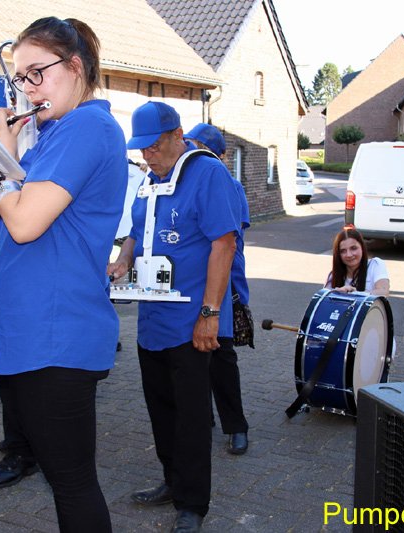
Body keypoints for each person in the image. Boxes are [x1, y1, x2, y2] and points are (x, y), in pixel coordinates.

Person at [0, 17, 126, 532]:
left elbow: (27, 222)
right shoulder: (53, 133)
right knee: (63, 476)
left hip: (57, 331)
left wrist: (4, 164)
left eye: (38, 73)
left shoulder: (87, 127)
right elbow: (7, 218)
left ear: (75, 67)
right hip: (35, 330)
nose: (28, 88)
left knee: (71, 481)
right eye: (20, 77)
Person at [108, 102, 242, 533]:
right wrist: (123, 260)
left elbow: (224, 245)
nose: (147, 155)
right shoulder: (151, 180)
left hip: (190, 323)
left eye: (154, 146)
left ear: (177, 135)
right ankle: (172, 481)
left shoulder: (207, 173)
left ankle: (193, 504)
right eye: (141, 148)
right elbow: (136, 231)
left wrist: (210, 314)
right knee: (161, 409)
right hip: (153, 322)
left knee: (192, 417)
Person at [184, 123, 251, 456]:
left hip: (222, 285)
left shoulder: (228, 184)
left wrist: (236, 292)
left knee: (222, 357)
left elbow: (231, 244)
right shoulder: (183, 181)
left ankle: (236, 426)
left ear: (219, 156)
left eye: (198, 147)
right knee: (194, 356)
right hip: (192, 285)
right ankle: (203, 417)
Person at [325, 227, 390, 296]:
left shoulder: (375, 264)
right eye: (343, 251)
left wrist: (356, 294)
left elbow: (383, 292)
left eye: (353, 248)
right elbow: (323, 298)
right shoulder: (333, 275)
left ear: (362, 247)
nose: (349, 255)